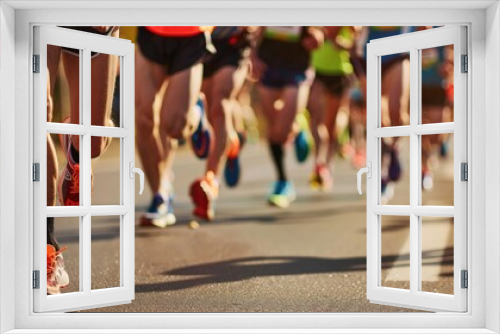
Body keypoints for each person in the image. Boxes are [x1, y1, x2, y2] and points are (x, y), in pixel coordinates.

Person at [46, 26, 120, 294]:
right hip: (47, 15)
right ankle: (46, 245)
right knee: (37, 107)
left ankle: (76, 149)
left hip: (97, 21)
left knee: (94, 142)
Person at [135, 26, 214, 227]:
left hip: (191, 34)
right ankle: (160, 196)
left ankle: (195, 113)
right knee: (143, 117)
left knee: (173, 127)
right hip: (151, 30)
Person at [251, 26, 324, 208]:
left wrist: (317, 37)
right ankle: (283, 181)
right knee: (274, 130)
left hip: (297, 67)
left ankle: (296, 126)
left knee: (282, 132)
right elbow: (253, 29)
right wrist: (251, 57)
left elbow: (319, 33)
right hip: (268, 65)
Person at [190, 27, 252, 220]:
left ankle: (211, 179)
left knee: (221, 102)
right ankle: (231, 143)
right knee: (207, 105)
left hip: (233, 43)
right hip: (198, 39)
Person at [351, 26, 413, 202]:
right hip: (367, 55)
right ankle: (382, 173)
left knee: (397, 112)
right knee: (377, 120)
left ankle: (394, 148)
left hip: (398, 52)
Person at [307, 26, 355, 191]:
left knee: (330, 125)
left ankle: (328, 164)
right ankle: (318, 164)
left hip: (339, 72)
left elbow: (356, 44)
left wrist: (339, 43)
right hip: (317, 70)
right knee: (316, 117)